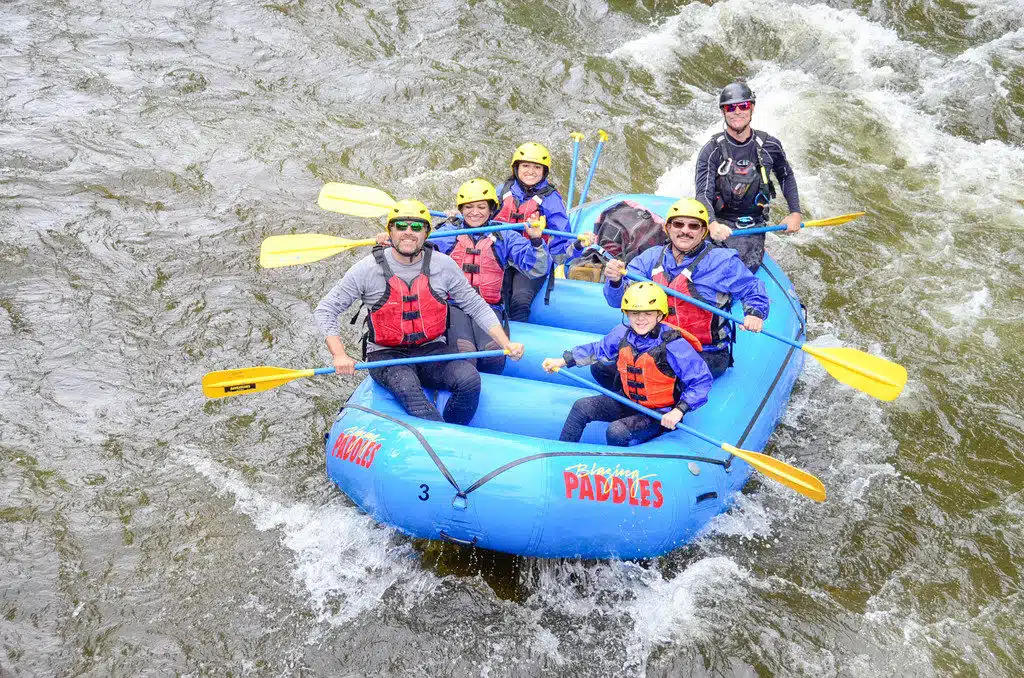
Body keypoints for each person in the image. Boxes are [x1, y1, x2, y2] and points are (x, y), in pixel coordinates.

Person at [314, 199, 525, 426]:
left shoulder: (443, 266)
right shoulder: (366, 269)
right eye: (401, 227)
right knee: (409, 389)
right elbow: (326, 310)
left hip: (432, 349)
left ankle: (456, 430)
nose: (408, 233)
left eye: (416, 227)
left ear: (426, 233)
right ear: (390, 232)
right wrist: (339, 355)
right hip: (387, 355)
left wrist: (505, 342)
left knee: (469, 380)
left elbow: (476, 305)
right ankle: (443, 443)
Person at [602, 198, 769, 381]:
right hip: (658, 344)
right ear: (668, 228)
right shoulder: (650, 258)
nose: (685, 231)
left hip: (706, 351)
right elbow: (616, 301)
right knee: (602, 369)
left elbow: (752, 289)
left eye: (693, 226)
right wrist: (616, 281)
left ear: (704, 231)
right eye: (678, 224)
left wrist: (755, 313)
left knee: (658, 371)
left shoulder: (723, 262)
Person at [541, 282, 712, 446]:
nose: (641, 319)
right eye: (634, 313)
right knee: (581, 406)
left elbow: (701, 380)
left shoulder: (673, 344)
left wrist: (678, 410)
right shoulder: (622, 333)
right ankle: (563, 450)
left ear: (660, 315)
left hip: (659, 413)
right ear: (627, 314)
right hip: (628, 401)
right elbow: (597, 349)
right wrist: (562, 361)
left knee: (616, 431)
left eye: (648, 313)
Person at [430, 178, 549, 374]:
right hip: (453, 306)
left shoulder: (504, 235)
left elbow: (537, 268)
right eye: (468, 207)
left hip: (488, 307)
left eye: (481, 207)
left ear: (491, 209)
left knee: (493, 356)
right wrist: (389, 241)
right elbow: (416, 252)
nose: (474, 212)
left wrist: (536, 240)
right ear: (460, 209)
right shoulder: (449, 232)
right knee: (465, 354)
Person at [694, 81, 803, 272]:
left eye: (743, 106)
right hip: (719, 221)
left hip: (753, 223)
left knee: (739, 271)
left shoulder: (770, 146)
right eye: (730, 107)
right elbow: (702, 193)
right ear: (723, 112)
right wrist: (711, 224)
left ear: (751, 108)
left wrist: (795, 213)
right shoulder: (711, 150)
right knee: (704, 268)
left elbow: (786, 176)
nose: (737, 112)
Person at [494, 142, 573, 321]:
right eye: (526, 166)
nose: (531, 171)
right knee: (494, 296)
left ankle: (517, 340)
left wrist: (554, 259)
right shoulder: (502, 191)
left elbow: (562, 234)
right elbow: (481, 217)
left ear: (544, 171)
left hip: (531, 259)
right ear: (516, 168)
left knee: (520, 302)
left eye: (537, 167)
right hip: (501, 255)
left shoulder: (550, 198)